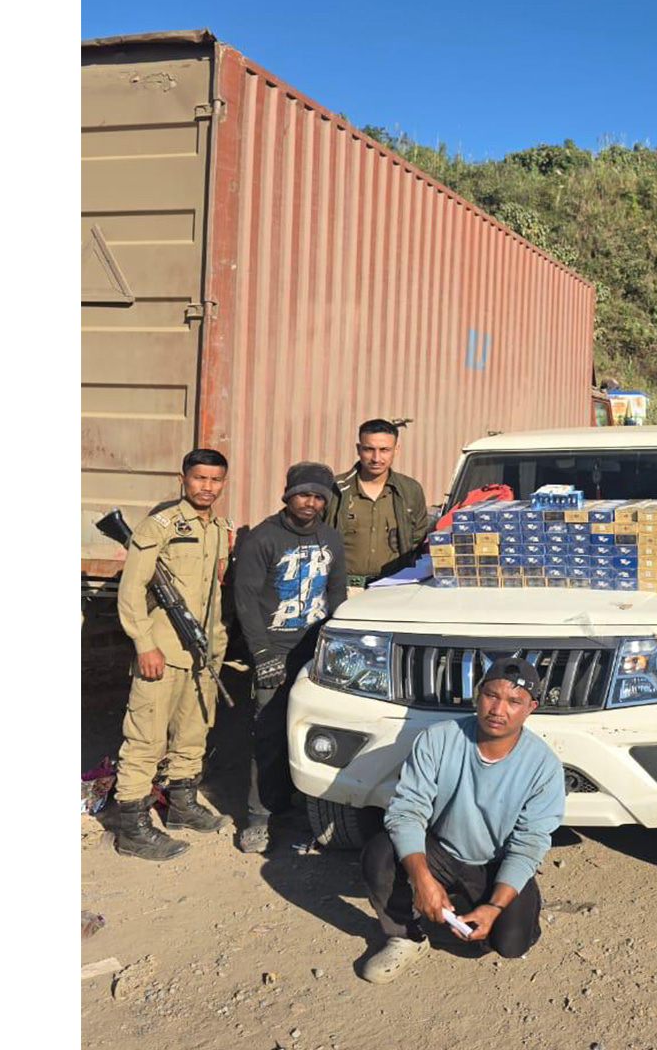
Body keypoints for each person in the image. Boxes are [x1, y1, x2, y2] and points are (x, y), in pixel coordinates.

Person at [360, 658, 566, 983]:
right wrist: (422, 879)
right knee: (380, 851)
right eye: (491, 695)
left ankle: (486, 904)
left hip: (494, 862)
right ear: (477, 695)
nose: (498, 709)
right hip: (440, 848)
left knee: (509, 944)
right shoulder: (438, 739)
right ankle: (405, 935)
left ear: (531, 708)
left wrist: (495, 908)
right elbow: (407, 809)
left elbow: (529, 843)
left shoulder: (544, 767)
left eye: (514, 701)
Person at [111, 448, 235, 860]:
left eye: (215, 480)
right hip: (162, 650)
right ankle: (131, 824)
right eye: (200, 478)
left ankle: (182, 804)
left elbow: (213, 593)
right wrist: (144, 643)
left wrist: (216, 646)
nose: (207, 487)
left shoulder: (219, 527)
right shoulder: (160, 525)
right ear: (182, 477)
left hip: (203, 651)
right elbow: (131, 590)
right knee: (146, 736)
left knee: (193, 730)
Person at [232, 462, 348, 853]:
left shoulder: (331, 538)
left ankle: (302, 811)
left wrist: (334, 644)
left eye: (318, 496)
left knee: (315, 733)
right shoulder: (263, 538)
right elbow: (245, 599)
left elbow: (336, 593)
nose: (310, 503)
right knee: (269, 734)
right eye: (304, 495)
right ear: (288, 495)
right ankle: (260, 817)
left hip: (314, 650)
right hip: (275, 649)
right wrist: (262, 651)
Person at [324, 419, 430, 587]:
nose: (376, 458)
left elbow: (417, 538)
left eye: (384, 450)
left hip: (393, 588)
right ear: (359, 450)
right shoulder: (335, 489)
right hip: (343, 589)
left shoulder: (410, 490)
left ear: (396, 450)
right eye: (369, 449)